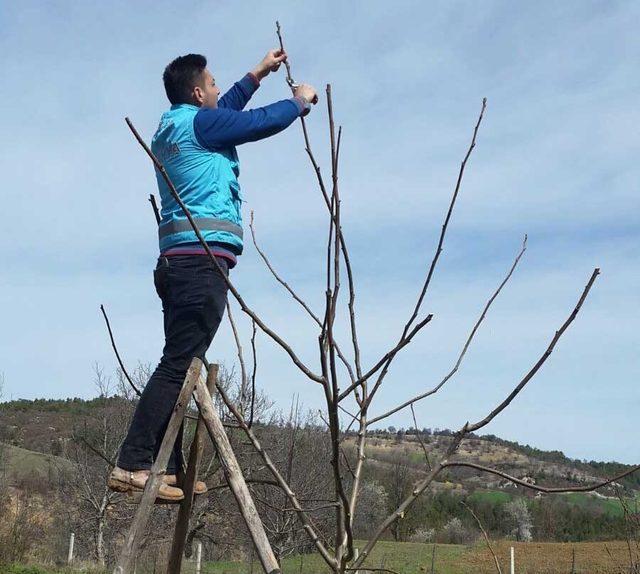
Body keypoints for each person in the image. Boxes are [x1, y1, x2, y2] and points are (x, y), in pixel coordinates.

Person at [108, 50, 318, 501]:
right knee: (179, 365)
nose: (221, 90)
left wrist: (257, 74)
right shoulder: (202, 126)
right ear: (199, 92)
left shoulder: (179, 126)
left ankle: (169, 468)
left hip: (177, 263)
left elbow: (226, 112)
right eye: (214, 83)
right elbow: (256, 123)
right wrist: (298, 102)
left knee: (183, 364)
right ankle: (132, 463)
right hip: (200, 264)